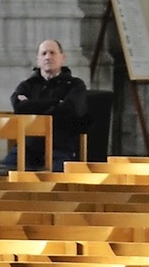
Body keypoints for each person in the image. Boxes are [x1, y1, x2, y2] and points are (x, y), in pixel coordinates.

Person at [5, 39, 89, 172]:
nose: (48, 57)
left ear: (62, 58)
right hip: (27, 147)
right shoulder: (27, 85)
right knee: (3, 173)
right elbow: (19, 107)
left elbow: (72, 110)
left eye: (52, 53)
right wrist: (55, 102)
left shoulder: (75, 85)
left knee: (58, 181)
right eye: (43, 53)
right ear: (38, 59)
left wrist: (32, 106)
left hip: (59, 147)